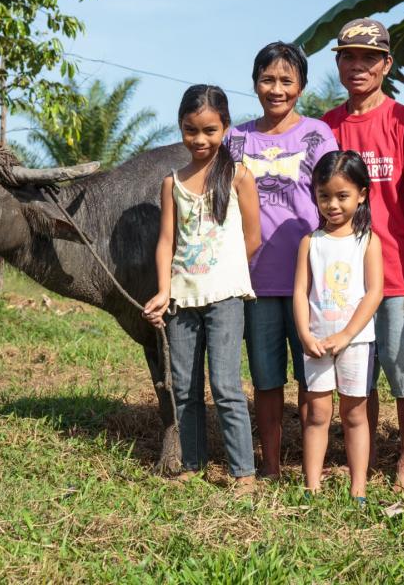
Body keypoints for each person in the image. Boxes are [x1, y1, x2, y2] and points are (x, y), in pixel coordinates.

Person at [322, 18, 404, 491]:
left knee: (403, 366)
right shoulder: (326, 126)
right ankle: (360, 464)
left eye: (369, 57)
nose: (358, 66)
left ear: (387, 64)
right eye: (349, 56)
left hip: (396, 268)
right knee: (357, 376)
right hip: (340, 274)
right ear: (338, 63)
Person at [143, 84, 262, 493]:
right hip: (182, 297)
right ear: (181, 127)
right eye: (191, 130)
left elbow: (253, 236)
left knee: (226, 386)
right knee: (186, 387)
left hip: (226, 296)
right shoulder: (171, 182)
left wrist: (225, 271)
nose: (200, 139)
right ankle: (191, 464)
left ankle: (242, 471)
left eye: (210, 130)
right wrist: (163, 291)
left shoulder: (239, 176)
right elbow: (166, 241)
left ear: (225, 128)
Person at [227, 42, 338, 479]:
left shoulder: (317, 134)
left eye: (286, 81)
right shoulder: (236, 138)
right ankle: (270, 466)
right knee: (266, 379)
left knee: (312, 379)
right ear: (255, 83)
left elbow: (334, 197)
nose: (276, 89)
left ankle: (312, 468)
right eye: (268, 79)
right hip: (254, 279)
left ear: (302, 86)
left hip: (309, 281)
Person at [294, 150, 383, 501]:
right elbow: (300, 292)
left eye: (342, 196)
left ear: (362, 194)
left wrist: (347, 334)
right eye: (324, 196)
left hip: (356, 343)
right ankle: (311, 487)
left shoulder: (367, 241)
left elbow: (374, 292)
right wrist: (304, 333)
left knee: (354, 413)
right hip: (316, 341)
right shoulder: (310, 243)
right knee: (317, 412)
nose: (332, 205)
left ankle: (358, 488)